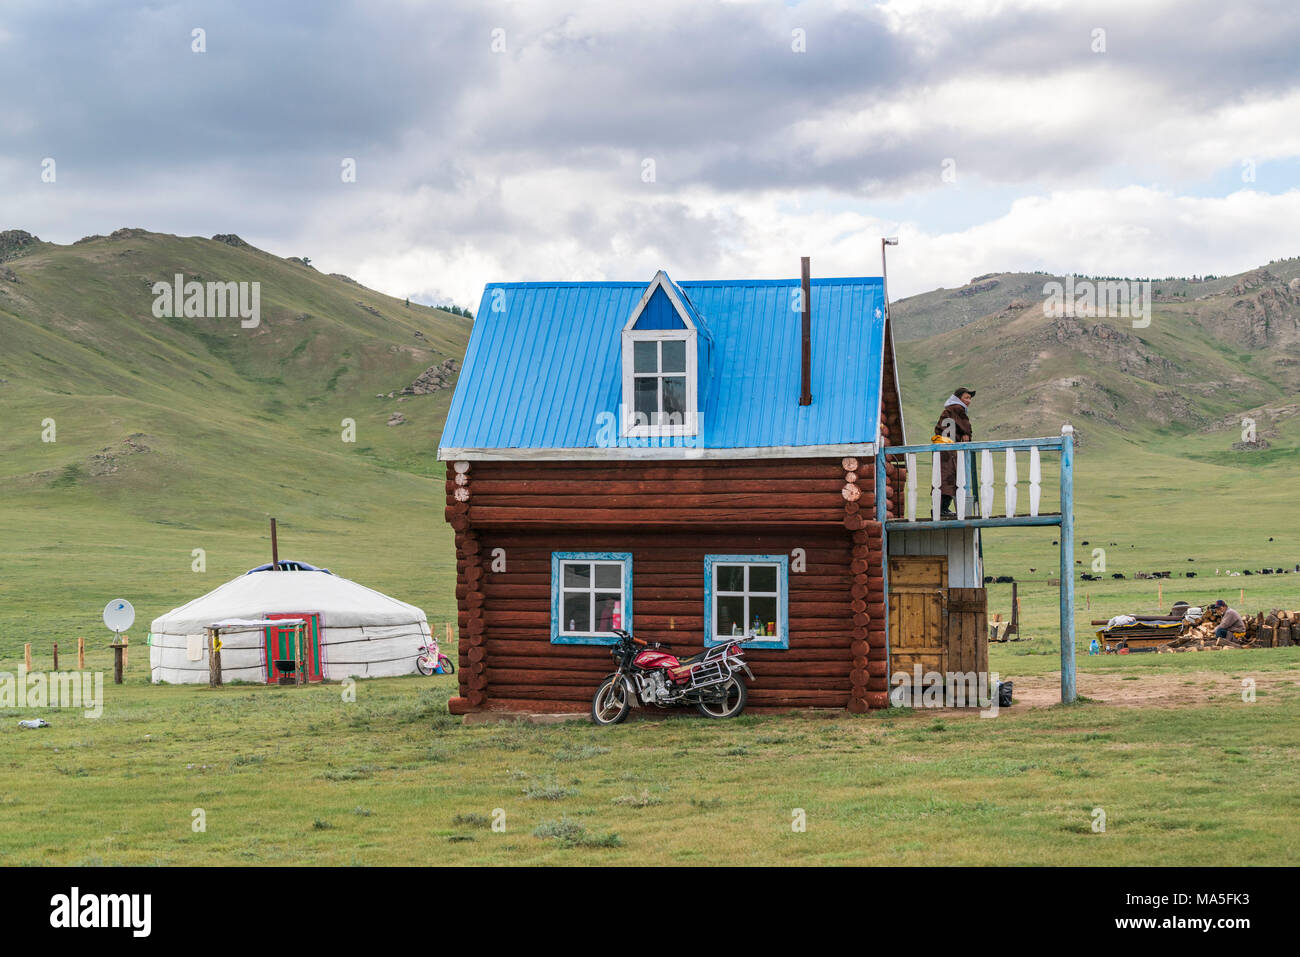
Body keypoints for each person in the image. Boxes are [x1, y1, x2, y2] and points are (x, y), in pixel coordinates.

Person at [933, 387, 975, 518]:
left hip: (944, 447)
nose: (968, 401)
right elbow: (965, 425)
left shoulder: (949, 409)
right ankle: (942, 509)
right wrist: (966, 433)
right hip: (949, 449)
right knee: (950, 477)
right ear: (958, 398)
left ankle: (940, 508)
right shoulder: (957, 408)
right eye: (966, 398)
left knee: (944, 477)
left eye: (969, 398)